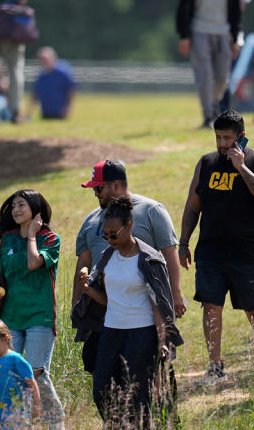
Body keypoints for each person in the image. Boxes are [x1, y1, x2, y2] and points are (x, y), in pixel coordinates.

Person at [179, 109, 254, 383]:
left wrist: (241, 168)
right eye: (218, 137)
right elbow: (193, 205)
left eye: (227, 138)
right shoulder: (206, 163)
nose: (222, 144)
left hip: (247, 251)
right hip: (211, 249)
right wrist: (184, 242)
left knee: (252, 306)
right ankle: (215, 366)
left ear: (241, 137)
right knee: (211, 305)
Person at [79, 196, 183, 427]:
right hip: (112, 332)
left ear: (129, 226)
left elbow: (158, 304)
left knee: (138, 397)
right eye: (105, 235)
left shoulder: (149, 259)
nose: (109, 239)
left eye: (114, 234)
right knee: (101, 390)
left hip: (141, 333)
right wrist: (88, 289)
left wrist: (162, 340)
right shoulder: (107, 257)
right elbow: (109, 300)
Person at [72, 159, 183, 374]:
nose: (95, 193)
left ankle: (158, 402)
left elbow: (170, 253)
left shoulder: (151, 210)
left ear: (115, 185)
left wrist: (175, 295)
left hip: (143, 305)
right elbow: (84, 263)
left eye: (99, 188)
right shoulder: (91, 220)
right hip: (103, 306)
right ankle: (119, 405)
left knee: (148, 365)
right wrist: (78, 304)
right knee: (98, 365)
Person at [0, 189, 66, 429]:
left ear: (36, 209)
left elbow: (33, 263)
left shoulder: (51, 239)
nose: (15, 210)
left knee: (35, 371)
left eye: (21, 205)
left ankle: (56, 422)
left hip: (39, 317)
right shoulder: (8, 239)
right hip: (11, 317)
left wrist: (32, 234)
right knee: (12, 374)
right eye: (13, 206)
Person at [176, 0, 252, 127]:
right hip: (200, 30)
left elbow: (236, 12)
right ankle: (208, 114)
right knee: (205, 74)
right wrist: (184, 35)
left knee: (221, 77)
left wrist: (236, 38)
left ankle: (214, 104)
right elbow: (184, 6)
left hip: (223, 33)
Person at [0, 319, 42, 428]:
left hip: (15, 412)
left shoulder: (15, 359)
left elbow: (31, 381)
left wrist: (37, 404)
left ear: (5, 339)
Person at [30, 46, 77, 120]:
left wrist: (68, 107)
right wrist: (29, 112)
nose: (43, 62)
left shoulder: (63, 72)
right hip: (46, 112)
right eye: (41, 59)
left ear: (53, 58)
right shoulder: (41, 75)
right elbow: (36, 94)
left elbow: (71, 90)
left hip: (60, 112)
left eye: (45, 59)